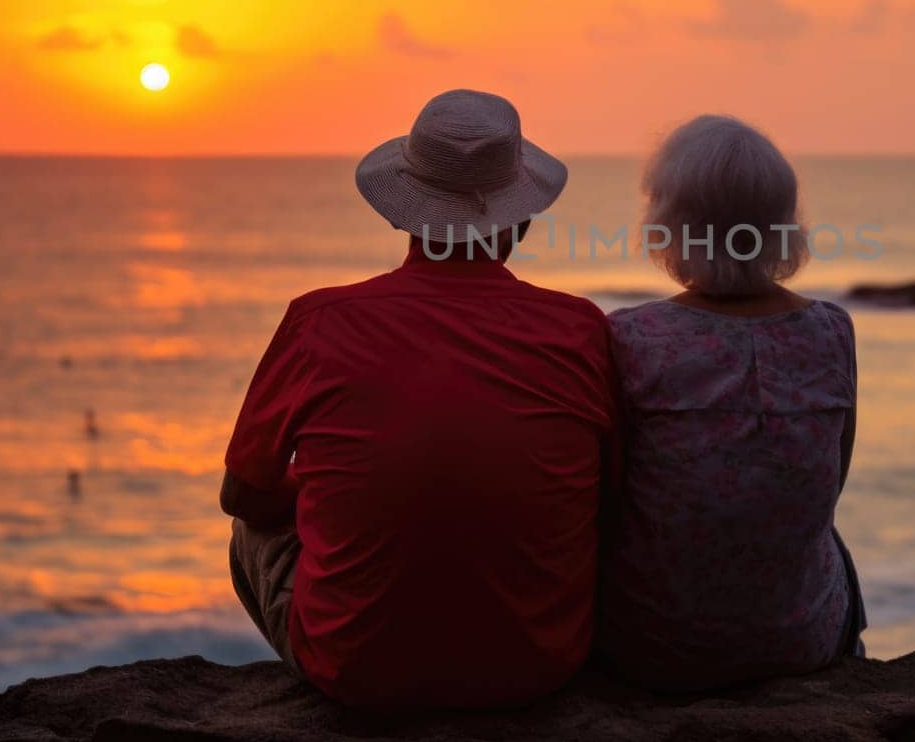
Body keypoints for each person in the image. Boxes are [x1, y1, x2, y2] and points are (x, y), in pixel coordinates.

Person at [221, 88, 616, 709]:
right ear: (521, 219)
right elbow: (606, 494)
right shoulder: (582, 330)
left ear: (400, 214)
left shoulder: (317, 321)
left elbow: (241, 495)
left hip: (357, 674)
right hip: (539, 667)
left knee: (251, 529)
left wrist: (336, 490)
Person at [596, 114, 866, 690]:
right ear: (782, 223)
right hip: (800, 643)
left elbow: (610, 497)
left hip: (654, 647)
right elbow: (830, 484)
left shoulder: (630, 338)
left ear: (668, 222)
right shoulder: (831, 332)